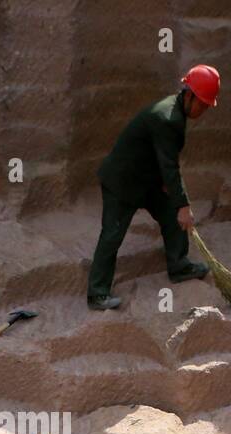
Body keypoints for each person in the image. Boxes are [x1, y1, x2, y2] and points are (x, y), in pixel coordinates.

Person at [86, 64, 219, 311]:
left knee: (170, 213)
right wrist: (184, 205)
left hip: (146, 179)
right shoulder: (168, 118)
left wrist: (174, 199)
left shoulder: (176, 112)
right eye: (202, 103)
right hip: (122, 181)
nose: (203, 110)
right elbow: (170, 165)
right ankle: (97, 293)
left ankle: (179, 266)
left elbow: (160, 158)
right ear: (188, 94)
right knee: (112, 234)